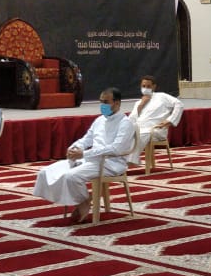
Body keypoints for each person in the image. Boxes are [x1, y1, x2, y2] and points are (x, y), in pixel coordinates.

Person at [33, 87, 136, 223]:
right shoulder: (99, 120)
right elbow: (86, 139)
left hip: (111, 163)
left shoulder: (125, 123)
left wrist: (84, 154)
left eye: (106, 102)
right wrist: (74, 148)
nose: (102, 105)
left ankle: (83, 202)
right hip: (91, 159)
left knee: (70, 177)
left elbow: (116, 149)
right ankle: (84, 199)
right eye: (101, 101)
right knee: (46, 172)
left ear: (117, 103)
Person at [127, 74, 184, 165]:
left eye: (148, 86)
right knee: (125, 134)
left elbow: (179, 104)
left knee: (143, 133)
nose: (145, 88)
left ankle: (129, 161)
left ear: (154, 86)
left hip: (157, 130)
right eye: (143, 86)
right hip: (140, 129)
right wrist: (141, 105)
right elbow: (131, 119)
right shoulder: (138, 102)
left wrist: (170, 120)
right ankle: (118, 160)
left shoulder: (162, 97)